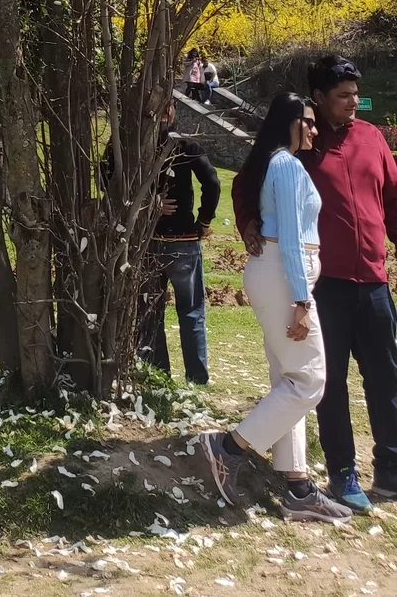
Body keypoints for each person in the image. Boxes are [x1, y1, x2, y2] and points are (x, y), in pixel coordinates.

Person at [233, 55, 397, 512]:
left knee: (387, 376)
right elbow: (248, 180)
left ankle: (391, 468)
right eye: (341, 96)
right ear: (319, 98)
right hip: (324, 285)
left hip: (375, 280)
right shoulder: (301, 143)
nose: (351, 104)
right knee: (330, 382)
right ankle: (343, 472)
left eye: (354, 95)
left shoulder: (372, 138)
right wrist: (248, 224)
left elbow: (394, 200)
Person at [200, 93, 349, 522]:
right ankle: (229, 448)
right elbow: (288, 238)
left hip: (277, 273)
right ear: (290, 123)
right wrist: (302, 300)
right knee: (310, 380)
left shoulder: (275, 163)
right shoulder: (285, 165)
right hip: (285, 276)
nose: (315, 129)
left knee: (289, 378)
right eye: (308, 122)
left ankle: (298, 488)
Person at [136, 100, 220, 385]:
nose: (165, 112)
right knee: (191, 310)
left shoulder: (135, 144)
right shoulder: (185, 144)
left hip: (148, 241)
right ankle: (196, 378)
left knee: (149, 309)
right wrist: (204, 222)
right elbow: (212, 182)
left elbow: (107, 174)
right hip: (181, 240)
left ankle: (156, 374)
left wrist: (146, 202)